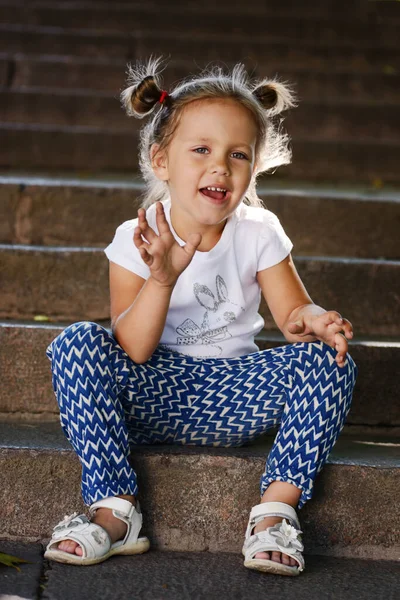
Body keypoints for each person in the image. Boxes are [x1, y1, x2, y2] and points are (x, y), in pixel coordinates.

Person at [44, 55, 358, 575]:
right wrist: (162, 277)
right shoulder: (136, 237)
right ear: (162, 160)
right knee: (78, 341)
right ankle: (115, 511)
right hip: (154, 392)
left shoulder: (259, 231)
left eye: (238, 154)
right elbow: (135, 349)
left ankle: (274, 515)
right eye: (201, 150)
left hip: (236, 391)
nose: (220, 166)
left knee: (331, 360)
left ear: (254, 167)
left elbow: (292, 314)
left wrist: (317, 319)